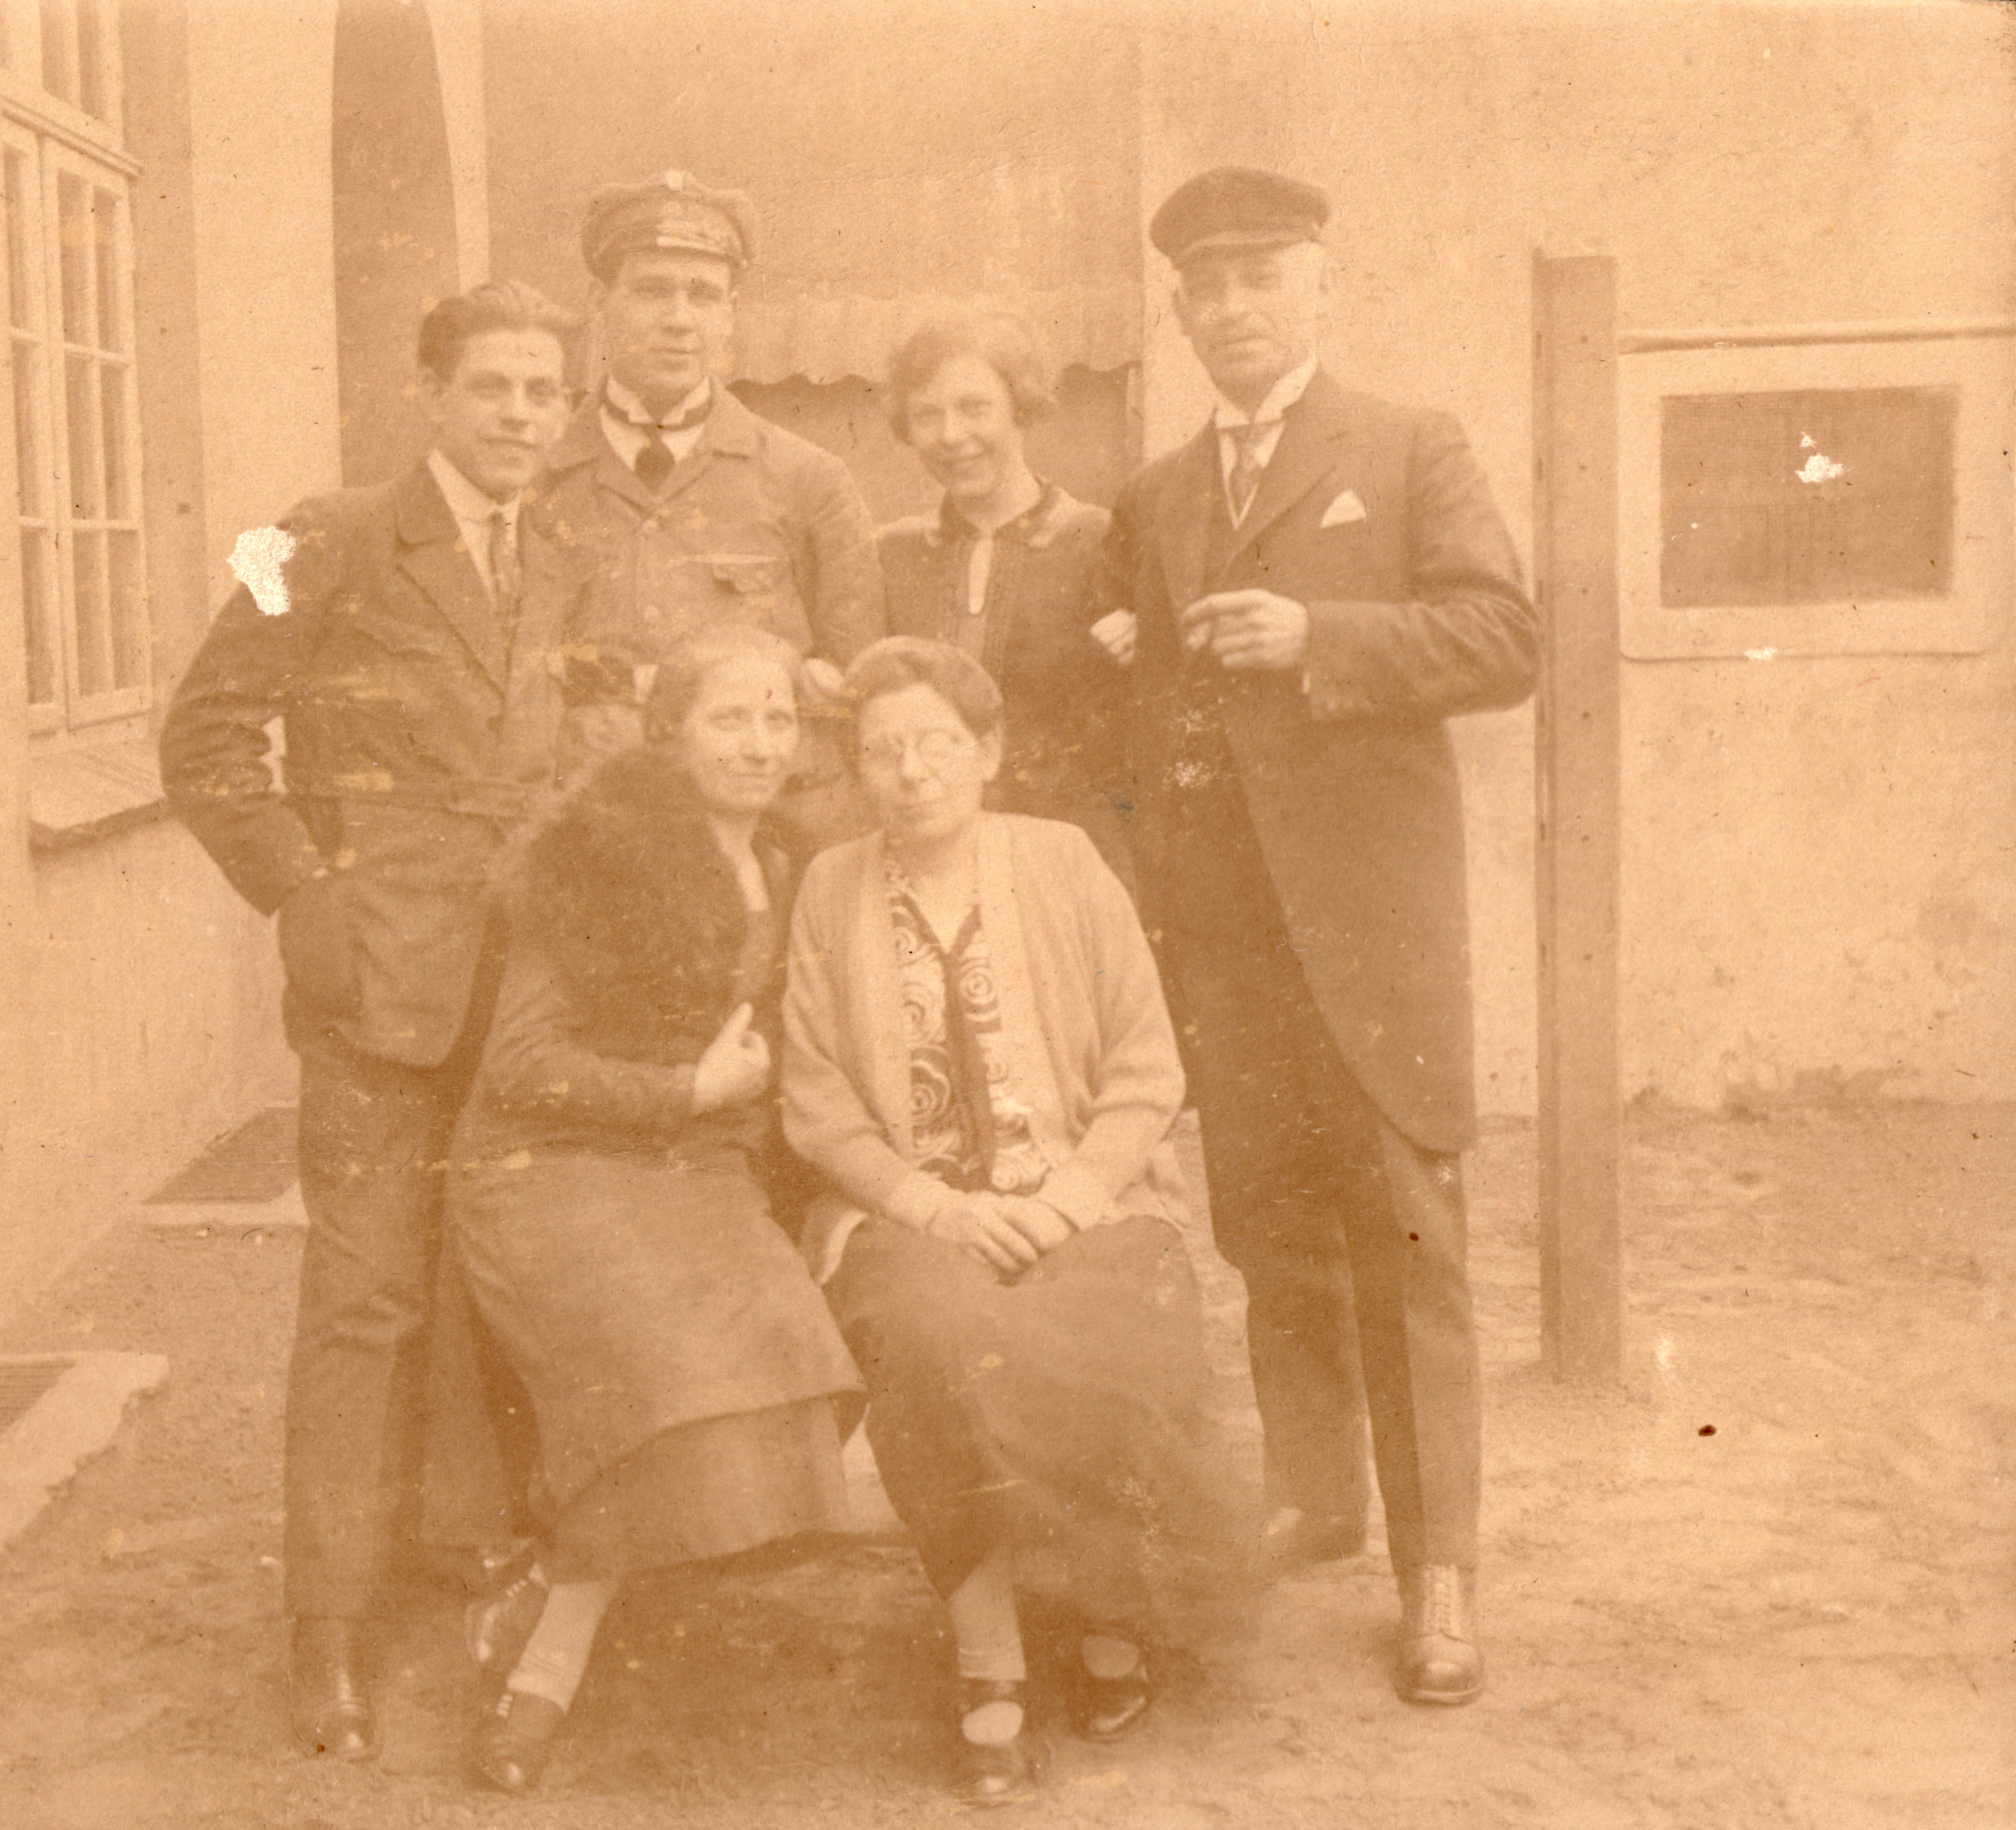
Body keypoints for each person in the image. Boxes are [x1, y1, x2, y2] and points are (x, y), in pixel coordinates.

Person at [1093, 166, 1539, 1705]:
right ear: (1178, 312)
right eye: (1205, 286)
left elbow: (1503, 639)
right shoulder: (1157, 495)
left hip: (1369, 936)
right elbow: (1143, 700)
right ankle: (1312, 1494)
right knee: (1267, 1225)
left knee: (1406, 1243)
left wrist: (1316, 636)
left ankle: (1437, 1571)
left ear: (1320, 289)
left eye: (1260, 276)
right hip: (1223, 938)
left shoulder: (1408, 447)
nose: (1231, 307)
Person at [159, 281, 578, 1760]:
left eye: (542, 389)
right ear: (430, 393)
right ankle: (326, 1624)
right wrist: (303, 895)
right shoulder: (311, 534)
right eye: (491, 385)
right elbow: (204, 731)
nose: (518, 412)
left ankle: (458, 1553)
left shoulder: (562, 551)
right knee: (364, 1297)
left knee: (490, 1280)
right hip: (373, 987)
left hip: (522, 992)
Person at [780, 637, 1219, 1807]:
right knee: (932, 1344)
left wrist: (1068, 1198)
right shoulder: (828, 887)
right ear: (857, 769)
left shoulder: (1063, 861)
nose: (910, 770)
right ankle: (990, 1656)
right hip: (911, 1213)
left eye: (935, 743)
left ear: (988, 751)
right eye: (882, 750)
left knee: (1117, 1334)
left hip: (1086, 1195)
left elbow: (1145, 1067)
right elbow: (816, 1101)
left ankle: (1106, 1609)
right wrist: (935, 1206)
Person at [445, 625, 865, 1794]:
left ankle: (549, 1584)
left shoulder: (791, 862)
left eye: (778, 718)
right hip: (550, 1165)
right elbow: (521, 1068)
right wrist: (689, 1089)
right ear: (670, 735)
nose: (759, 743)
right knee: (664, 1372)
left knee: (799, 1348)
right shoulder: (599, 850)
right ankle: (547, 1675)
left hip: (696, 1172)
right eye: (729, 718)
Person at [525, 169, 886, 846]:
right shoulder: (535, 482)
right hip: (596, 829)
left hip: (769, 832)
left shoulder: (809, 480)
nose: (678, 320)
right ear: (600, 300)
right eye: (651, 290)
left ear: (729, 312)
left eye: (703, 294)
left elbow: (858, 682)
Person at [875, 311, 1132, 878]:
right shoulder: (890, 556)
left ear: (1020, 406)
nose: (950, 435)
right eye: (926, 415)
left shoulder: (1104, 541)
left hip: (1068, 858)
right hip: (923, 858)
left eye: (974, 408)